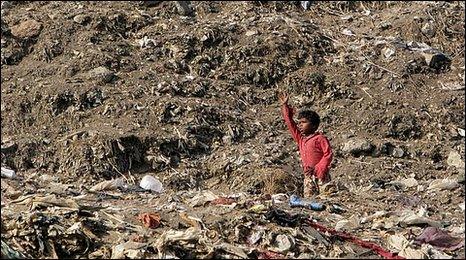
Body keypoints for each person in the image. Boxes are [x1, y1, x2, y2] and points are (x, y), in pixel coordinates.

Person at [278, 92, 333, 198]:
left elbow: (328, 154)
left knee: (326, 199)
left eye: (304, 122)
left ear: (314, 126)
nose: (300, 125)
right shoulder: (301, 139)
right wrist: (284, 106)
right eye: (299, 123)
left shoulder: (320, 138)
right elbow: (290, 124)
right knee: (310, 201)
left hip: (321, 176)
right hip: (308, 177)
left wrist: (319, 168)